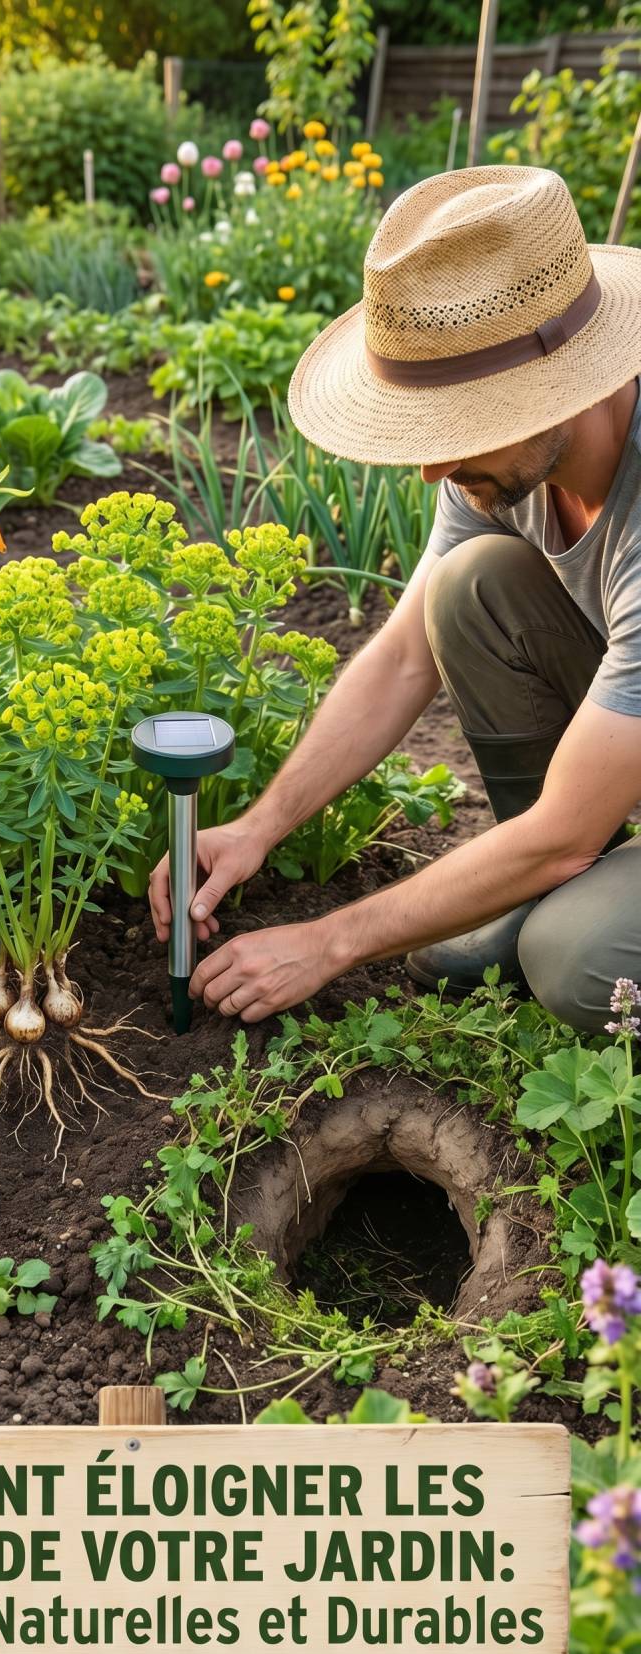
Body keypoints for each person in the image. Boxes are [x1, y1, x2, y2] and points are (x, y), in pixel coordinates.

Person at [148, 163, 641, 1035]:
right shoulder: (508, 463)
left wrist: (330, 942)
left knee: (577, 962)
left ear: (565, 381)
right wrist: (259, 827)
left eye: (464, 422)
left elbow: (565, 828)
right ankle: (557, 886)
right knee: (467, 587)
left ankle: (570, 901)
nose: (432, 466)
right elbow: (407, 654)